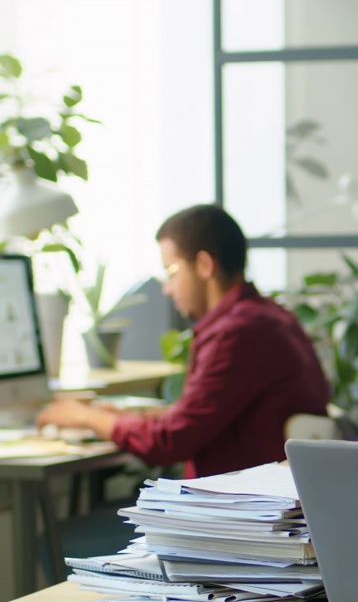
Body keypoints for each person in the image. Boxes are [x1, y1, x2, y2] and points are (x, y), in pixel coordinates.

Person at [37, 204, 330, 478]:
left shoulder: (238, 333)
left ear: (204, 265)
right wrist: (127, 415)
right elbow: (205, 416)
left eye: (171, 272)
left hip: (243, 511)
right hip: (270, 503)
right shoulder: (271, 318)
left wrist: (87, 418)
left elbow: (170, 441)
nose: (167, 289)